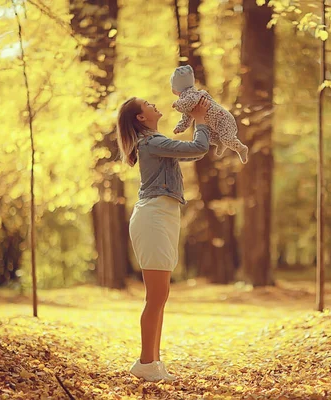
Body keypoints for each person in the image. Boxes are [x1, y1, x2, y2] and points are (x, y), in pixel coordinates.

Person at [116, 96, 210, 381]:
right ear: (140, 118)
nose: (154, 104)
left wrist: (197, 119)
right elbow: (200, 147)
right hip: (153, 216)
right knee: (155, 296)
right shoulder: (150, 143)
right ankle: (146, 362)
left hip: (165, 214)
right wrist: (201, 118)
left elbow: (192, 153)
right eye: (147, 104)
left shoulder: (157, 141)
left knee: (161, 295)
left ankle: (152, 363)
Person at [170, 65, 248, 164]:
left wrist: (177, 104)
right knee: (209, 136)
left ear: (176, 88)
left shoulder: (192, 95)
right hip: (213, 123)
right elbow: (187, 116)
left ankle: (241, 148)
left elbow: (189, 102)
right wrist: (181, 127)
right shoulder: (187, 97)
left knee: (227, 138)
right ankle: (220, 143)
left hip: (223, 119)